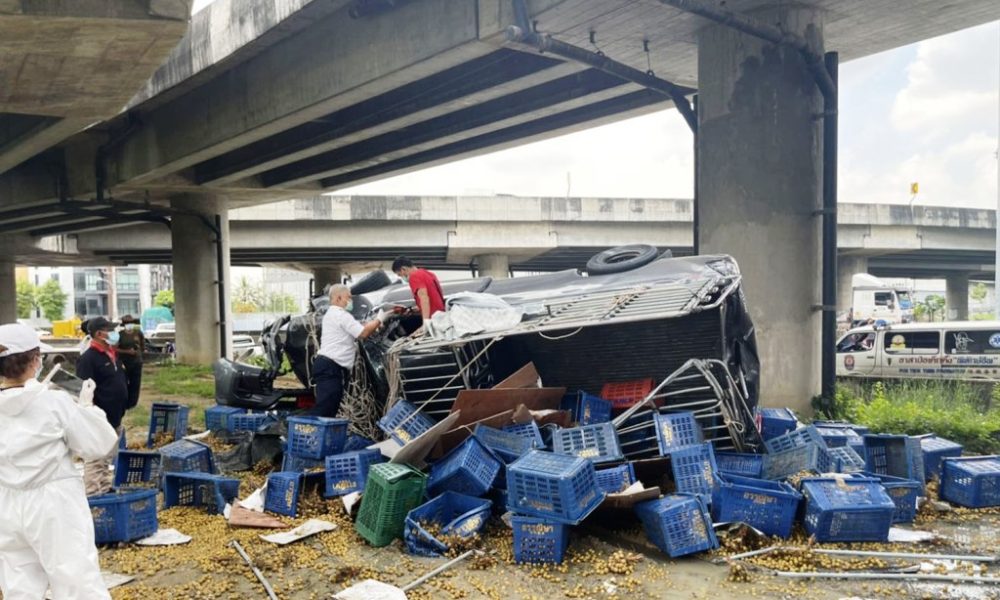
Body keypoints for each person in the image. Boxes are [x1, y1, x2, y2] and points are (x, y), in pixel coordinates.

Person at [0, 322, 118, 599]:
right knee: (76, 581)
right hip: (53, 503)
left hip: (7, 503)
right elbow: (99, 444)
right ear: (36, 360)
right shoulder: (54, 403)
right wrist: (87, 408)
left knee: (20, 585)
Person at [75, 316, 129, 496]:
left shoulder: (111, 353)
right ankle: (93, 494)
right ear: (99, 334)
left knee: (107, 457)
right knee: (96, 458)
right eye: (110, 330)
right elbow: (83, 390)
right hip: (99, 418)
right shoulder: (89, 358)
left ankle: (104, 488)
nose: (115, 333)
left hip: (115, 415)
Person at [313, 285, 380, 418]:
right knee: (325, 408)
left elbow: (360, 327)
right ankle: (310, 436)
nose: (351, 301)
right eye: (348, 297)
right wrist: (380, 318)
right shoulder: (340, 314)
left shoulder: (333, 314)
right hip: (330, 366)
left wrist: (374, 324)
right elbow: (363, 333)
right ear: (338, 298)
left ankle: (318, 436)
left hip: (328, 365)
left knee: (330, 407)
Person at [391, 256, 446, 321]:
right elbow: (434, 295)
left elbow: (424, 298)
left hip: (433, 318)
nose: (401, 277)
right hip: (441, 314)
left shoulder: (414, 276)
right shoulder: (427, 273)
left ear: (403, 269)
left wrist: (425, 322)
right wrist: (419, 308)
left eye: (400, 275)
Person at [117, 315, 145, 410]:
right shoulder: (120, 335)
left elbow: (142, 346)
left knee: (135, 383)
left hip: (136, 362)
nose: (129, 325)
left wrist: (138, 353)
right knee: (124, 382)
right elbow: (115, 349)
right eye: (127, 323)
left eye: (130, 323)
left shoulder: (138, 333)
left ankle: (133, 403)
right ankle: (125, 401)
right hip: (124, 362)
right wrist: (127, 352)